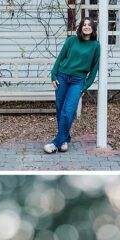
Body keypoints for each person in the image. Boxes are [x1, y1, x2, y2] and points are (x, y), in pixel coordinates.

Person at [44, 17, 100, 154]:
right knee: (60, 109)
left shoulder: (95, 45)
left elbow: (94, 69)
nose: (86, 27)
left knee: (68, 111)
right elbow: (60, 58)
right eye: (84, 24)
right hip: (62, 77)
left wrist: (85, 86)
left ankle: (55, 143)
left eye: (89, 25)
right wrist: (53, 75)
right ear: (81, 27)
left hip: (77, 81)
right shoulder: (72, 40)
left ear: (93, 28)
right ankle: (64, 140)